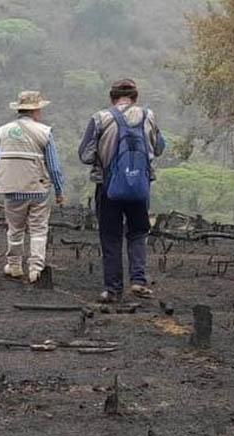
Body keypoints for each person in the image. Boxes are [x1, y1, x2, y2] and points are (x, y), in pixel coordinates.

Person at [78, 78, 166, 302]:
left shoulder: (100, 118)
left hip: (108, 187)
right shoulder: (148, 116)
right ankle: (138, 280)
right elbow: (159, 147)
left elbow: (85, 155)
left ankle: (113, 289)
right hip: (139, 186)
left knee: (110, 236)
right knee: (138, 232)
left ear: (112, 97)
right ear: (135, 97)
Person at [0, 90, 65, 283]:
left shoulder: (2, 132)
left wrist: (1, 169)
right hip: (38, 190)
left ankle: (15, 266)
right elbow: (54, 167)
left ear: (19, 110)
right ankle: (35, 269)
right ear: (36, 111)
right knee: (38, 230)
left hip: (11, 191)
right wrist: (58, 190)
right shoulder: (44, 133)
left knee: (15, 229)